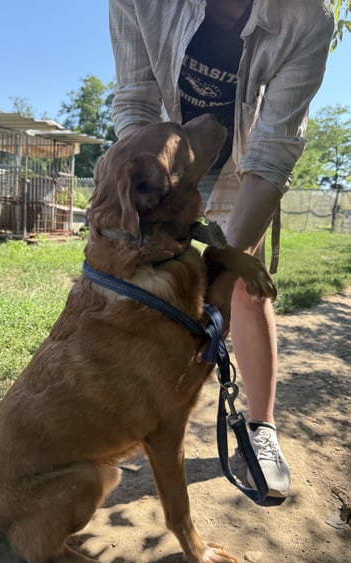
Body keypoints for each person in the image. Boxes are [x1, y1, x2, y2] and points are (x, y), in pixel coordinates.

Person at [109, 0, 334, 498]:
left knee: (246, 290)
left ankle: (261, 427)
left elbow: (273, 148)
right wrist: (154, 182)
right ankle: (130, 416)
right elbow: (136, 102)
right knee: (142, 288)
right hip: (164, 165)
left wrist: (227, 266)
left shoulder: (309, 19)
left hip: (242, 167)